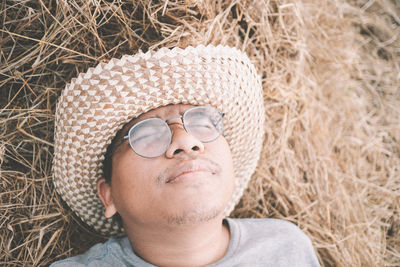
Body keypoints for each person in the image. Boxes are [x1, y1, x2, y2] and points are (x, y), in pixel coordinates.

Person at [51, 45, 320, 266]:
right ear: (108, 195)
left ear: (234, 173)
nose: (185, 140)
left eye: (203, 124)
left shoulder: (287, 248)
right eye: (145, 135)